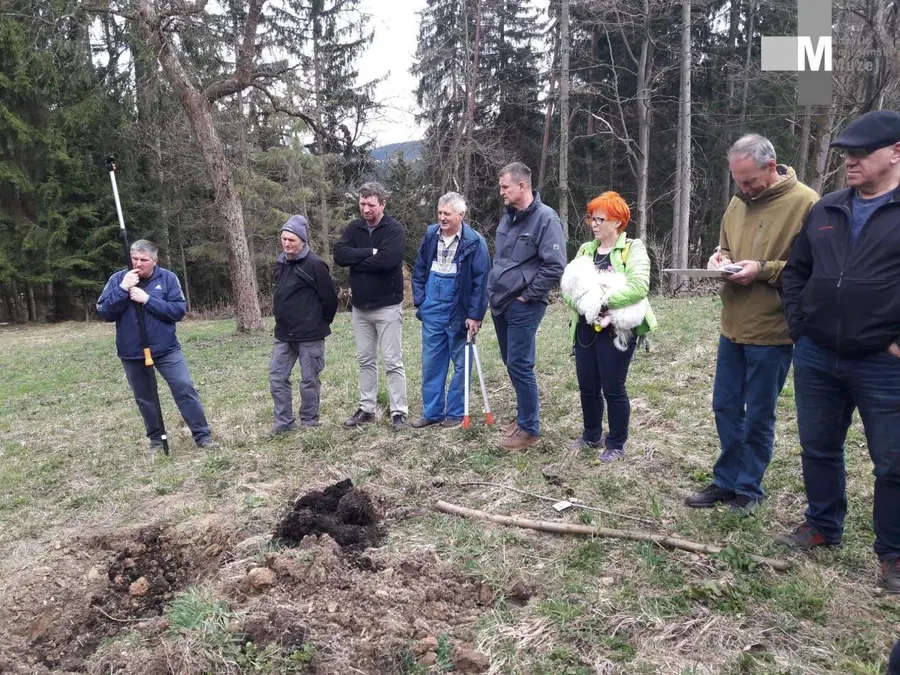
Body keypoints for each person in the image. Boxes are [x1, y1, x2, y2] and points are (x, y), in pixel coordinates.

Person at [778, 110, 900, 593]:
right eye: (846, 153)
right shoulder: (827, 208)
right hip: (816, 354)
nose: (849, 161)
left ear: (895, 152)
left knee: (893, 461)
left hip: (883, 363)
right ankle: (822, 526)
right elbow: (796, 271)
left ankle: (893, 554)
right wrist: (800, 328)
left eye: (860, 153)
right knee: (818, 447)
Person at [685, 134, 818, 515]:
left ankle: (749, 488)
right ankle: (726, 481)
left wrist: (762, 270)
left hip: (773, 330)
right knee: (725, 406)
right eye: (738, 181)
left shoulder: (807, 204)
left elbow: (813, 270)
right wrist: (719, 260)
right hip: (733, 324)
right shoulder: (738, 201)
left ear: (772, 167)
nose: (743, 189)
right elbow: (726, 246)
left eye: (749, 180)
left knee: (759, 413)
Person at [561, 192, 656, 462]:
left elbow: (639, 288)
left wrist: (600, 302)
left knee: (613, 387)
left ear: (618, 221)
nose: (594, 223)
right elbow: (567, 287)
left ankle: (615, 443)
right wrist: (584, 306)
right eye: (591, 218)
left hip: (618, 330)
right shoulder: (585, 250)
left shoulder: (632, 249)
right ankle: (591, 435)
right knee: (587, 385)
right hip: (585, 326)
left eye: (600, 219)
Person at [96, 239, 217, 450]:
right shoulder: (118, 279)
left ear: (155, 260)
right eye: (134, 258)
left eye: (144, 259)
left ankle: (202, 436)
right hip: (132, 352)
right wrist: (123, 289)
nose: (138, 264)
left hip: (166, 349)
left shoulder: (168, 279)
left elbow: (177, 311)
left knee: (184, 387)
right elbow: (105, 311)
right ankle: (156, 440)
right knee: (145, 398)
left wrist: (148, 300)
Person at [488, 162, 567, 450]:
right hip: (500, 302)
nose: (501, 193)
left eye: (505, 187)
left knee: (521, 365)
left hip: (524, 305)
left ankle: (530, 430)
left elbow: (555, 265)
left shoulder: (546, 219)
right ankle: (523, 416)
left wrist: (529, 295)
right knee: (511, 362)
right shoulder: (508, 218)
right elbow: (502, 260)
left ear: (522, 186)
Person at [333, 181, 409, 431]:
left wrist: (357, 261)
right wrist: (370, 252)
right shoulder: (354, 228)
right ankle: (366, 407)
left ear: (383, 204)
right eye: (362, 203)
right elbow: (340, 255)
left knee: (392, 361)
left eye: (371, 204)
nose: (365, 209)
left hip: (387, 306)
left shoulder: (394, 229)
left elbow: (388, 261)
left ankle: (399, 412)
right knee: (365, 359)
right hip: (360, 308)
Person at [410, 192, 490, 429]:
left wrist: (475, 315)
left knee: (462, 363)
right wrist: (421, 302)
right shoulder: (430, 235)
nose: (442, 218)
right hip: (432, 309)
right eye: (440, 212)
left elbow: (480, 282)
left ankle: (456, 412)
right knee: (432, 362)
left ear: (461, 215)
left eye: (447, 213)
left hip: (460, 310)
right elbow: (420, 270)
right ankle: (432, 412)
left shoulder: (474, 242)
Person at [269, 216, 339, 433]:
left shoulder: (315, 265)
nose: (287, 243)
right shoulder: (281, 263)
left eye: (291, 239)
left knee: (309, 380)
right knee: (277, 377)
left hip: (310, 334)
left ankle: (309, 421)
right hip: (284, 334)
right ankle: (283, 423)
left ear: (302, 241)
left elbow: (330, 299)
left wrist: (319, 322)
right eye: (284, 239)